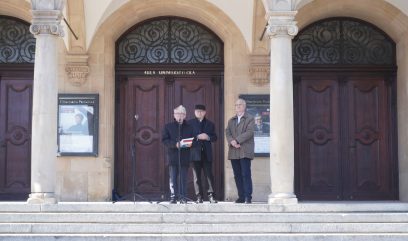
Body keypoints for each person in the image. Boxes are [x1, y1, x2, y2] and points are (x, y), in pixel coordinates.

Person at [162, 105, 194, 204]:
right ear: (174, 115)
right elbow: (164, 140)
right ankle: (174, 197)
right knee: (173, 178)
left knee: (183, 178)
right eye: (177, 113)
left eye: (182, 114)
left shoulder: (190, 127)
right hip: (173, 156)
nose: (179, 116)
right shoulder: (168, 126)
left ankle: (183, 197)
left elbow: (195, 141)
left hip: (184, 156)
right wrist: (175, 144)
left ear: (185, 115)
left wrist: (188, 143)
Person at [225, 98, 255, 204]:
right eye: (236, 105)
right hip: (234, 151)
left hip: (244, 151)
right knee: (237, 175)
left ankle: (248, 197)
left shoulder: (250, 118)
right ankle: (241, 197)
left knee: (245, 174)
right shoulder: (231, 120)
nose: (238, 106)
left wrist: (237, 140)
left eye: (240, 105)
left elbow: (250, 132)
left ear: (244, 106)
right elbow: (227, 132)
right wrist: (232, 141)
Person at [188, 104, 218, 204]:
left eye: (201, 111)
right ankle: (199, 197)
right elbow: (187, 137)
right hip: (195, 153)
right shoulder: (190, 123)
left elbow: (215, 137)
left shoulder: (210, 124)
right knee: (196, 176)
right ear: (194, 112)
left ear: (205, 112)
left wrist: (207, 137)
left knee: (209, 175)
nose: (199, 113)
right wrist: (197, 136)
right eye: (197, 111)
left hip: (206, 153)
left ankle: (211, 196)